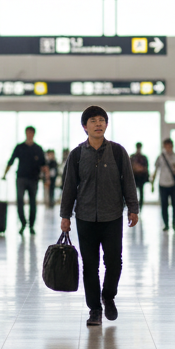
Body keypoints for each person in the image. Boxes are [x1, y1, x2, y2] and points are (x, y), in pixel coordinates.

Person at [59, 106, 139, 327]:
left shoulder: (117, 151)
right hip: (85, 217)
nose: (98, 124)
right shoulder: (76, 155)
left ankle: (108, 296)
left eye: (102, 120)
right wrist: (65, 216)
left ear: (106, 125)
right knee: (90, 265)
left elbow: (128, 182)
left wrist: (133, 207)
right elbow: (69, 187)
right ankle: (94, 309)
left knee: (114, 262)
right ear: (85, 127)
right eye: (93, 120)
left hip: (112, 216)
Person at [3, 126, 47, 235]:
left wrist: (47, 179)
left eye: (31, 132)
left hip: (34, 179)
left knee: (33, 203)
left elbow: (44, 165)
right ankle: (23, 223)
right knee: (20, 201)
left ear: (33, 134)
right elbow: (11, 161)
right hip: (21, 178)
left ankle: (31, 226)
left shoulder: (38, 149)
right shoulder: (19, 147)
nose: (29, 134)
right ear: (25, 133)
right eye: (28, 132)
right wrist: (4, 174)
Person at [151, 138, 175, 231]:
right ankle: (166, 223)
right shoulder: (160, 157)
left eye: (169, 146)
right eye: (166, 146)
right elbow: (155, 170)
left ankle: (174, 220)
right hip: (163, 184)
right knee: (164, 205)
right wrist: (152, 183)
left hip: (174, 184)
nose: (168, 148)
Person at [130, 142, 150, 210]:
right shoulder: (132, 157)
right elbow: (129, 168)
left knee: (141, 194)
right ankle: (133, 208)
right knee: (133, 194)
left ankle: (139, 208)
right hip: (134, 178)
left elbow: (146, 168)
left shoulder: (143, 158)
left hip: (141, 178)